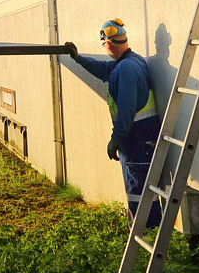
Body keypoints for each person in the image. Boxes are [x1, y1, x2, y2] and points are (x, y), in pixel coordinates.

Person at [70, 18, 163, 228]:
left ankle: (143, 239)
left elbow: (126, 110)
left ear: (109, 44)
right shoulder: (133, 61)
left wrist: (116, 139)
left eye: (105, 44)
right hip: (143, 140)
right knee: (146, 193)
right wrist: (78, 59)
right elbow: (105, 69)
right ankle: (152, 236)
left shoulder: (125, 70)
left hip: (136, 142)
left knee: (139, 196)